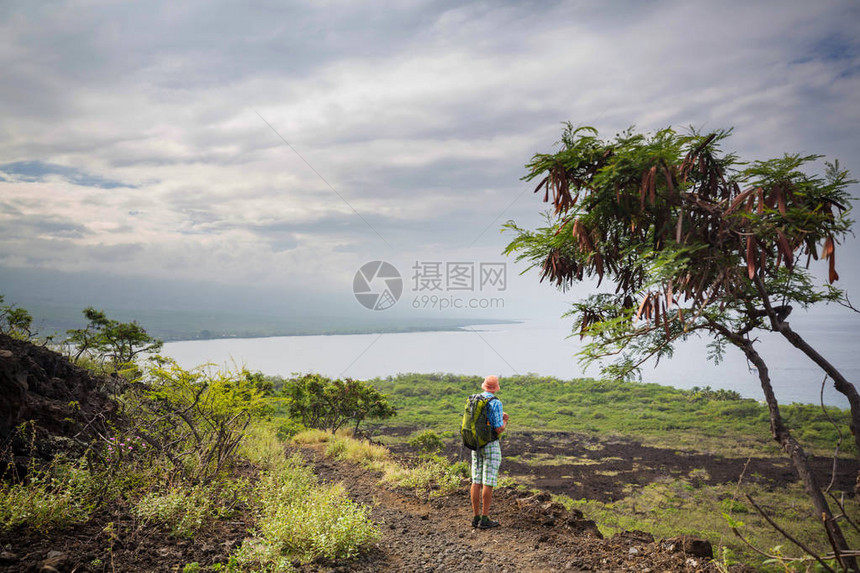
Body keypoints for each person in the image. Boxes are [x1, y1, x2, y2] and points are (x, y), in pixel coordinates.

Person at [470, 375, 508, 529]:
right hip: (490, 444)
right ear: (496, 388)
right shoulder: (496, 402)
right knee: (488, 481)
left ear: (484, 387)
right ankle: (485, 519)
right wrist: (505, 420)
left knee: (476, 480)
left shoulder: (474, 400)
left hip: (476, 443)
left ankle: (475, 517)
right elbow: (499, 428)